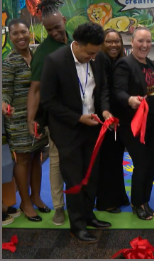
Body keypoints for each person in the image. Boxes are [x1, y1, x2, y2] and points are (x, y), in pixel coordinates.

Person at [40, 22, 112, 243]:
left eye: (95, 53)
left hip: (94, 126)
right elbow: (48, 101)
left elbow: (103, 89)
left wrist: (106, 109)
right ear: (77, 44)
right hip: (68, 130)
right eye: (89, 52)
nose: (93, 57)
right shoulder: (54, 61)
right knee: (74, 179)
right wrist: (77, 118)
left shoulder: (97, 58)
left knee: (92, 176)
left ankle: (89, 215)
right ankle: (77, 225)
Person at [26, 0, 72, 226]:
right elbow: (35, 90)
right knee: (56, 161)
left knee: (79, 161)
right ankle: (58, 207)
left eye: (57, 27)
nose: (55, 32)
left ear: (64, 20)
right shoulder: (44, 53)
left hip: (81, 115)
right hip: (56, 118)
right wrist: (31, 119)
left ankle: (79, 204)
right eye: (49, 30)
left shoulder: (77, 43)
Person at [113, 27, 154, 220]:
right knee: (142, 163)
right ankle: (137, 203)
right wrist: (129, 100)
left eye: (148, 41)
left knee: (152, 164)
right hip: (134, 125)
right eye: (141, 41)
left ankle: (145, 201)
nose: (145, 45)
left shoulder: (151, 64)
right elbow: (117, 90)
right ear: (132, 42)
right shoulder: (124, 64)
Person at [2, 18, 49, 222]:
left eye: (23, 32)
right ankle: (25, 202)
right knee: (22, 160)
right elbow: (4, 90)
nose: (20, 37)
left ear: (29, 32)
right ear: (10, 37)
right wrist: (3, 103)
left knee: (37, 156)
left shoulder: (38, 56)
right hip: (18, 118)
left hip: (38, 117)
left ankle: (36, 196)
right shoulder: (9, 61)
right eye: (15, 34)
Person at [95, 29, 130, 213]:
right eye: (109, 41)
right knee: (107, 160)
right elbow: (104, 90)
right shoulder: (101, 61)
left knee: (117, 158)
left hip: (119, 117)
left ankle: (119, 195)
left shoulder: (121, 61)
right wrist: (105, 112)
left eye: (117, 41)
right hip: (107, 117)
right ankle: (105, 201)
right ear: (102, 43)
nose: (113, 45)